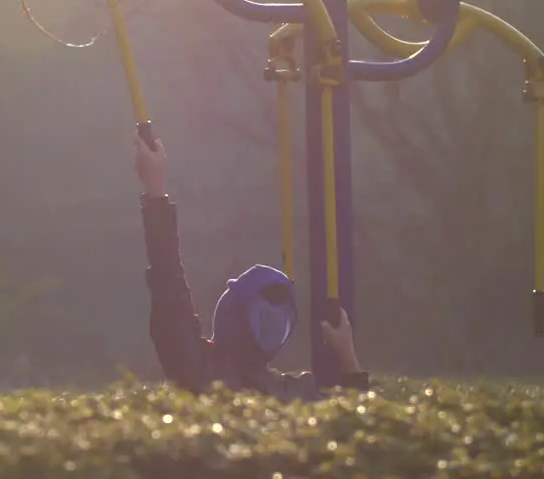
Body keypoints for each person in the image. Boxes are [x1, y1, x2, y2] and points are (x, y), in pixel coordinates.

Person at [134, 132, 368, 401]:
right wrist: (347, 354)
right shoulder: (295, 395)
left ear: (229, 312)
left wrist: (154, 187)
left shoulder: (198, 372)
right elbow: (359, 420)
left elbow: (169, 284)